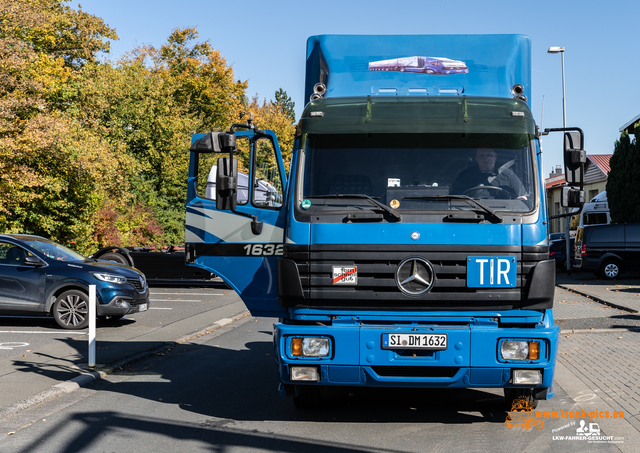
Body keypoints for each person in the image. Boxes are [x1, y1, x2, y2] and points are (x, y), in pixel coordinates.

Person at [451, 148, 528, 200]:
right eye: (482, 156)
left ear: (495, 156)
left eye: (489, 155)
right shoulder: (465, 176)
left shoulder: (509, 175)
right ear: (476, 159)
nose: (486, 158)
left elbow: (522, 197)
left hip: (504, 215)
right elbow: (454, 199)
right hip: (470, 214)